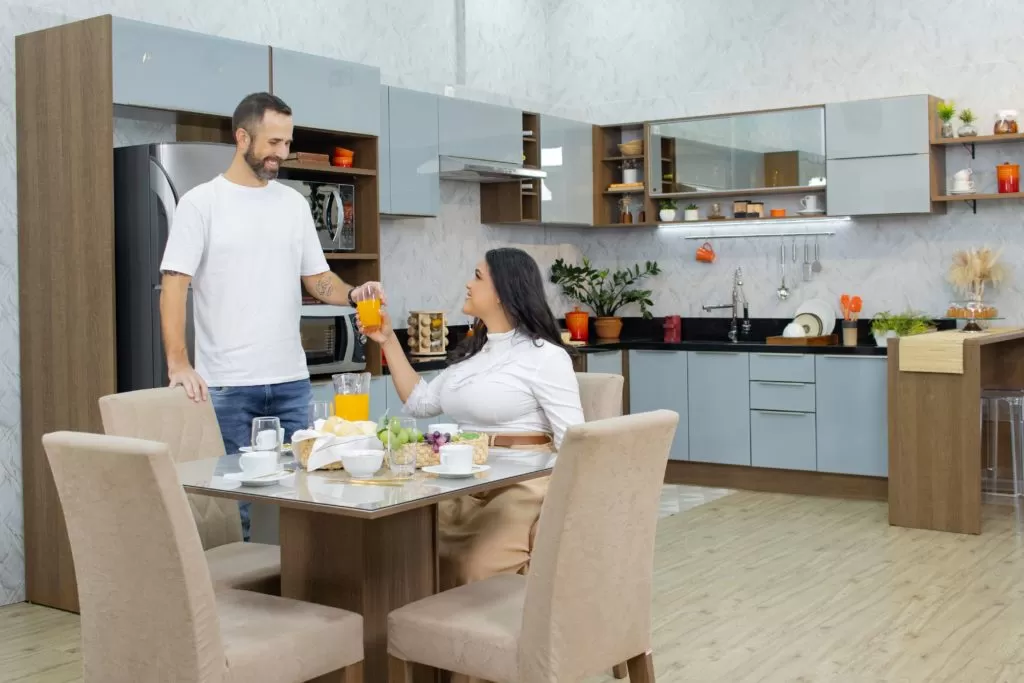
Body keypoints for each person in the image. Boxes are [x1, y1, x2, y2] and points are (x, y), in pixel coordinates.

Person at [159, 91, 381, 539]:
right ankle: (233, 606)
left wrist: (354, 293)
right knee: (235, 511)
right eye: (274, 142)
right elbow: (174, 284)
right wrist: (178, 363)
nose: (282, 153)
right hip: (226, 387)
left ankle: (306, 602)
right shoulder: (201, 204)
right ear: (242, 137)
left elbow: (318, 280)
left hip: (291, 383)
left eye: (287, 143)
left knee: (310, 497)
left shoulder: (293, 206)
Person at [361, 247, 584, 589]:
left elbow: (575, 438)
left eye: (478, 277)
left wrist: (564, 504)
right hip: (460, 480)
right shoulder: (472, 356)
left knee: (474, 569)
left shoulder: (546, 357)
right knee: (404, 555)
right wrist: (388, 340)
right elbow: (420, 402)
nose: (468, 284)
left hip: (519, 485)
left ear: (503, 293)